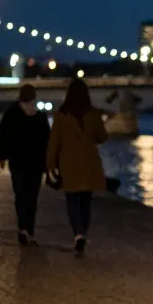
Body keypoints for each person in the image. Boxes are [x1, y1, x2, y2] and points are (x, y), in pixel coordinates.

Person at [46, 79, 107, 256]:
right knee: (86, 200)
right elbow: (102, 138)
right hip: (88, 163)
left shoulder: (61, 115)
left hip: (69, 163)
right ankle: (84, 234)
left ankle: (78, 233)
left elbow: (54, 142)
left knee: (72, 200)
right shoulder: (94, 114)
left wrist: (50, 165)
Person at [0, 84, 50, 245]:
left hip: (17, 161)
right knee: (32, 196)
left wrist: (2, 157)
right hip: (36, 163)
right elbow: (47, 141)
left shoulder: (11, 114)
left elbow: (2, 135)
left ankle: (22, 227)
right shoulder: (40, 117)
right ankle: (30, 228)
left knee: (20, 195)